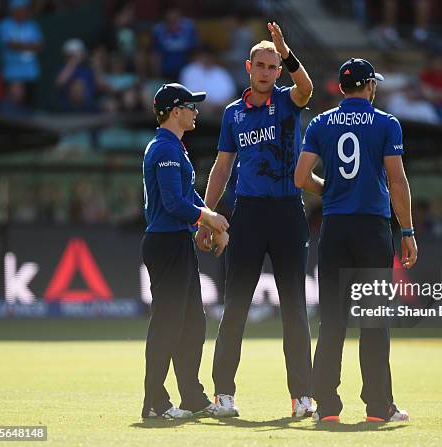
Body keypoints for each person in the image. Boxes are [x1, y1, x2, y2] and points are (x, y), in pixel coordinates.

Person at [196, 22, 315, 418]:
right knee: (235, 309)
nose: (266, 71)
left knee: (295, 308)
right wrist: (207, 217)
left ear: (278, 70)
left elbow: (308, 90)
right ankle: (223, 395)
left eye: (272, 66)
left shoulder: (287, 102)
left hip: (286, 213)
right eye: (260, 65)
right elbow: (222, 166)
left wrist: (288, 51)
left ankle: (302, 396)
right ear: (248, 67)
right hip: (246, 215)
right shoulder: (233, 114)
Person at [295, 58, 416, 423]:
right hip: (371, 230)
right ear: (369, 86)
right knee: (374, 321)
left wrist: (328, 188)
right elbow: (396, 182)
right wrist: (407, 230)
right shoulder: (385, 123)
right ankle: (378, 409)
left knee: (332, 321)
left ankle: (326, 408)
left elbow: (301, 177)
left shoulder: (320, 122)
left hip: (334, 228)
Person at [140, 83, 229, 419]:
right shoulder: (164, 149)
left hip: (177, 242)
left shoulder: (174, 147)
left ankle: (192, 396)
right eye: (191, 106)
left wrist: (208, 224)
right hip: (166, 244)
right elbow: (174, 203)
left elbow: (188, 198)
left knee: (192, 322)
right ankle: (155, 403)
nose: (195, 111)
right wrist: (211, 219)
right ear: (175, 111)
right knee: (167, 322)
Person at [0, 0, 43, 108]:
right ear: (14, 10)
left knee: (30, 107)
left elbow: (40, 46)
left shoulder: (32, 25)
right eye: (20, 9)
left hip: (31, 73)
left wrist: (20, 45)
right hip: (12, 74)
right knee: (10, 107)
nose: (23, 12)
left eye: (25, 9)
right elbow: (9, 44)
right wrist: (30, 45)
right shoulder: (4, 25)